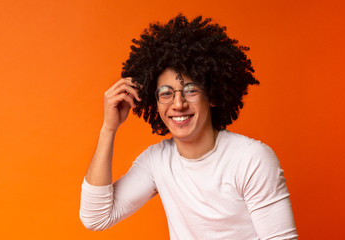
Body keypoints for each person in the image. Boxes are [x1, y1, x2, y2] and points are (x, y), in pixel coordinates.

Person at [79, 14, 298, 240]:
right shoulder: (157, 161)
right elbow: (96, 217)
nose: (178, 104)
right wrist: (108, 128)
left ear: (211, 95)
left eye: (190, 90)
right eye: (166, 93)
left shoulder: (251, 159)